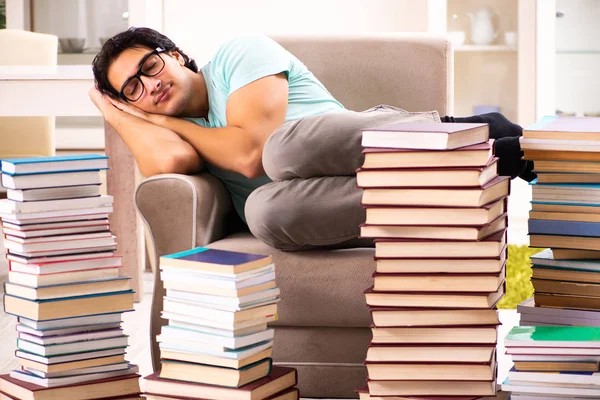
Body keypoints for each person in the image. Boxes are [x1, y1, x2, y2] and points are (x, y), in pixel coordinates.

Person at [90, 27, 535, 251]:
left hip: (358, 145)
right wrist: (118, 114)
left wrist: (160, 119)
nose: (148, 86)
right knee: (262, 212)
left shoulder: (237, 54)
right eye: (132, 90)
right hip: (318, 197)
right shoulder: (165, 127)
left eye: (149, 67)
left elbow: (250, 155)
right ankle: (461, 183)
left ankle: (465, 135)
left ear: (174, 55)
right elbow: (168, 164)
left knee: (281, 149)